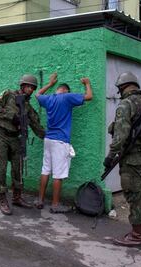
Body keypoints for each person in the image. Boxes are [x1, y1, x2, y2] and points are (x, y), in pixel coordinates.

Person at [104, 72, 141, 247]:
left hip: (132, 159)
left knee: (133, 194)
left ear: (121, 87)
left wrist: (110, 157)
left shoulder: (126, 104)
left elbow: (120, 135)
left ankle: (136, 235)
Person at [34, 74, 93, 213]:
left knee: (45, 170)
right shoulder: (67, 97)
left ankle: (40, 201)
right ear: (66, 90)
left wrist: (50, 83)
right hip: (60, 141)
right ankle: (55, 205)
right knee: (58, 174)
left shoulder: (49, 98)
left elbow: (37, 94)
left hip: (48, 139)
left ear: (58, 89)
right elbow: (89, 96)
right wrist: (87, 84)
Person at [0, 74, 45, 215]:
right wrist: (12, 117)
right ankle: (3, 198)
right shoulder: (8, 94)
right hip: (2, 135)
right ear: (22, 86)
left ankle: (17, 197)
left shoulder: (27, 107)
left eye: (33, 88)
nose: (30, 90)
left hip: (16, 138)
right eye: (28, 86)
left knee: (18, 169)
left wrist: (49, 137)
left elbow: (36, 125)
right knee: (0, 168)